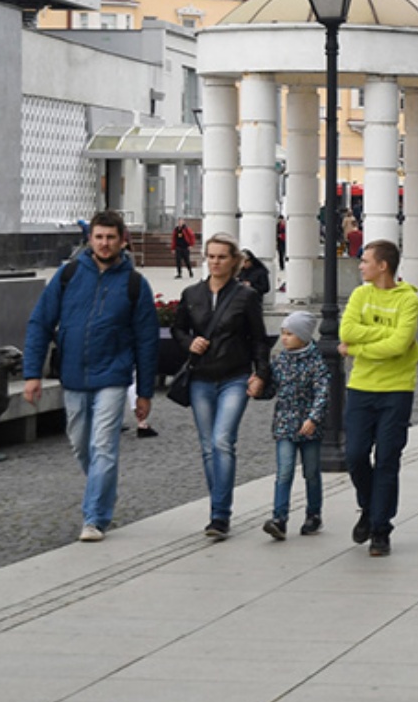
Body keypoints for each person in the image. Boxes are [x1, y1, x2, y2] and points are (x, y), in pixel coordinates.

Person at [23, 210, 159, 543]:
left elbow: (147, 341)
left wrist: (144, 393)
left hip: (113, 375)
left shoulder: (134, 284)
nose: (104, 243)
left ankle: (94, 518)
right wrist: (31, 373)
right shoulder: (68, 275)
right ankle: (104, 493)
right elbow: (40, 322)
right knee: (82, 446)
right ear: (90, 238)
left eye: (111, 237)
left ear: (122, 239)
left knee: (103, 447)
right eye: (99, 236)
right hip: (73, 375)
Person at [173, 233, 272, 539]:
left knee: (221, 441)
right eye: (211, 256)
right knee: (207, 447)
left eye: (222, 257)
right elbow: (177, 328)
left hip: (235, 375)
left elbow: (259, 339)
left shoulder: (245, 296)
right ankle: (218, 508)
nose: (215, 262)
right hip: (201, 377)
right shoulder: (192, 294)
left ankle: (220, 515)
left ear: (234, 262)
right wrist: (191, 342)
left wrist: (261, 374)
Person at [340, 239, 418, 558]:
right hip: (361, 387)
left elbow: (400, 344)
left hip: (397, 389)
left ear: (383, 265)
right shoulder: (360, 294)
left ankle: (380, 528)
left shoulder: (408, 300)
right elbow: (346, 330)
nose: (360, 265)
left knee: (387, 458)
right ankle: (369, 507)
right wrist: (378, 337)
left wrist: (359, 347)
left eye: (365, 260)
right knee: (356, 455)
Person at [264, 311, 328, 540]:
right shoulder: (279, 360)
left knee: (311, 472)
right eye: (283, 333)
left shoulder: (316, 362)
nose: (285, 338)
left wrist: (313, 418)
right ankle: (279, 518)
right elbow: (271, 389)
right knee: (284, 471)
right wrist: (257, 388)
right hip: (284, 425)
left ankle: (313, 514)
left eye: (290, 334)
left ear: (302, 335)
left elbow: (322, 392)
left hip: (309, 427)